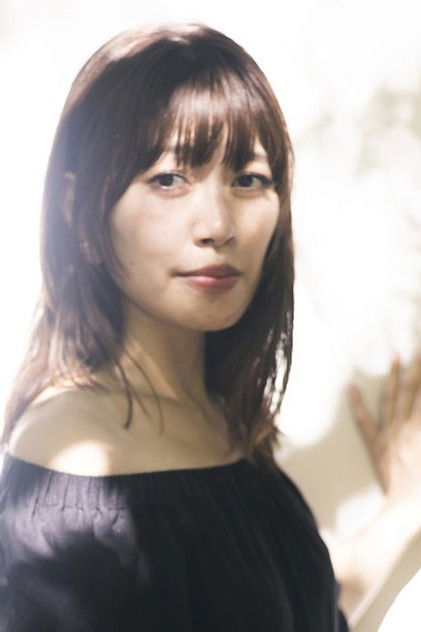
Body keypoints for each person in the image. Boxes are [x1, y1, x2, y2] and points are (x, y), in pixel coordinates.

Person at [0, 22, 420, 631]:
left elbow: (287, 611)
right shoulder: (80, 468)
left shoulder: (218, 414)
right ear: (78, 210)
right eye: (169, 179)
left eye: (248, 180)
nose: (218, 225)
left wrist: (404, 509)